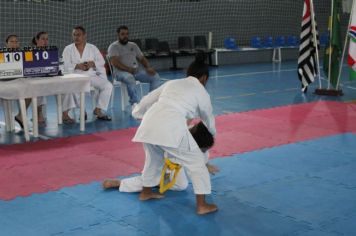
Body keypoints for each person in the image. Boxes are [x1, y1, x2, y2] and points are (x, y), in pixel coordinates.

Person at [129, 53, 217, 215]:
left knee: (153, 160)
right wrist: (211, 138)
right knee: (196, 162)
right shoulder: (202, 92)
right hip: (170, 125)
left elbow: (148, 99)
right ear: (204, 78)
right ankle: (202, 205)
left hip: (149, 122)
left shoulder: (173, 83)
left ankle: (146, 192)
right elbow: (208, 120)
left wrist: (137, 113)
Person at [102, 121, 219, 193]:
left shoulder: (198, 134)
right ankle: (119, 183)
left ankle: (158, 181)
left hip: (168, 144)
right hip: (155, 144)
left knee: (181, 186)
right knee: (153, 177)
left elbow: (201, 153)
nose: (203, 152)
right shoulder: (178, 144)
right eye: (202, 149)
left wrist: (206, 164)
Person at [62, 26, 113, 123]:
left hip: (91, 75)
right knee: (76, 87)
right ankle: (82, 111)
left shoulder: (92, 48)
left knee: (108, 86)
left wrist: (93, 64)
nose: (76, 37)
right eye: (74, 35)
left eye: (78, 35)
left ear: (84, 36)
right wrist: (76, 66)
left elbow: (101, 62)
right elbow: (65, 65)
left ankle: (98, 109)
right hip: (75, 76)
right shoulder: (68, 49)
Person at [107, 25, 160, 108]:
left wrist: (148, 67)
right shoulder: (113, 47)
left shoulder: (133, 45)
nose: (125, 36)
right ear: (118, 35)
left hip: (136, 71)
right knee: (130, 78)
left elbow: (142, 58)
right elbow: (114, 62)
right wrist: (127, 69)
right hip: (120, 73)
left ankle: (151, 102)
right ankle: (134, 104)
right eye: (123, 34)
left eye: (127, 34)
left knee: (155, 76)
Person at [14, 32, 49, 128]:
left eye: (47, 39)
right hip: (26, 80)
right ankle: (31, 114)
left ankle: (36, 113)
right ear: (37, 40)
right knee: (35, 85)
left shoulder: (49, 53)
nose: (45, 41)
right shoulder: (30, 52)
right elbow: (27, 67)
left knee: (41, 84)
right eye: (43, 39)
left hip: (41, 80)